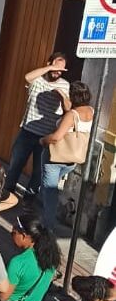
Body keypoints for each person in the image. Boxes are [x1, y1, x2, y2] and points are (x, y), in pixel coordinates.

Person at [4, 53, 71, 199]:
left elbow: (68, 108)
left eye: (61, 70)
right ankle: (6, 194)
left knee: (38, 172)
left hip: (46, 137)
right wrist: (50, 68)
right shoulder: (37, 80)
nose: (58, 72)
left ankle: (28, 199)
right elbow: (27, 77)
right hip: (27, 132)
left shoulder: (64, 85)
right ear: (48, 64)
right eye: (55, 67)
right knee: (16, 165)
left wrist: (62, 96)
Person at [40, 79, 93, 228]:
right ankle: (50, 216)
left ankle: (46, 229)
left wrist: (43, 140)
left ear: (73, 96)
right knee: (52, 187)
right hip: (72, 160)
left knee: (49, 192)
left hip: (56, 158)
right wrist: (63, 98)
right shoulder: (91, 111)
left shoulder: (72, 115)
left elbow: (56, 137)